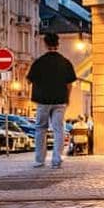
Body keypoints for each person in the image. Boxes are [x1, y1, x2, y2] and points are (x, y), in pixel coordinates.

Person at [28, 32, 77, 169]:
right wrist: (67, 97)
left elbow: (30, 80)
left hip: (42, 100)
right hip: (60, 99)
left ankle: (39, 160)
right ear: (58, 44)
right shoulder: (65, 62)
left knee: (40, 129)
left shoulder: (39, 62)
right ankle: (57, 159)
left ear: (45, 44)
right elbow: (70, 83)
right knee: (58, 129)